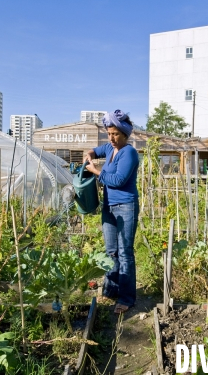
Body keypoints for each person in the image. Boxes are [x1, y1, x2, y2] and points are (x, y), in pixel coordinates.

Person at [84, 110, 139, 314]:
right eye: (109, 133)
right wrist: (89, 155)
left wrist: (96, 171)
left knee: (125, 252)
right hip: (108, 206)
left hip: (126, 206)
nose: (112, 138)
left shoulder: (129, 152)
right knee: (111, 251)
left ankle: (126, 298)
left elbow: (117, 180)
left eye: (115, 134)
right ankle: (111, 290)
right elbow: (94, 151)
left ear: (125, 134)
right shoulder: (109, 148)